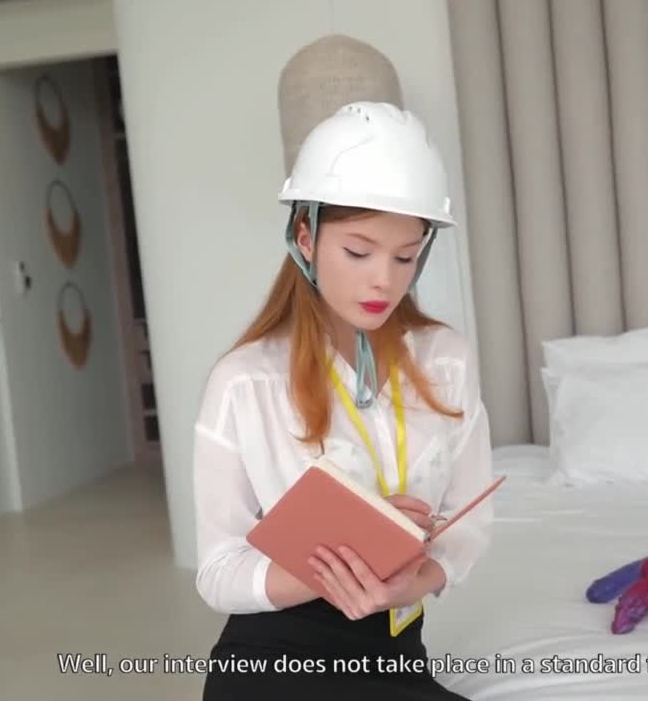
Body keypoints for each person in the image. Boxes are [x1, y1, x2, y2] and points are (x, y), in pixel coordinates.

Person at [193, 101, 494, 699]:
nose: (385, 279)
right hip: (275, 662)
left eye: (406, 255)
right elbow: (218, 571)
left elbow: (470, 522)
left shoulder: (446, 361)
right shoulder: (244, 382)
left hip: (396, 657)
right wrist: (344, 562)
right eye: (359, 252)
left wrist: (411, 582)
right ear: (305, 237)